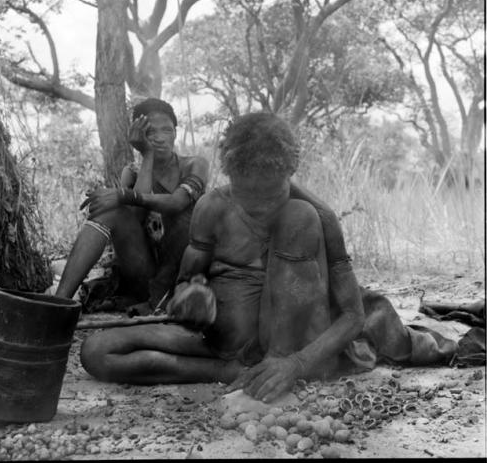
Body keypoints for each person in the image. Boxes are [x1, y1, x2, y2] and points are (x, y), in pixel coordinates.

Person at [80, 112, 458, 402]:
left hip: (292, 342)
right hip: (223, 340)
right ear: (231, 175)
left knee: (298, 217)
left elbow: (354, 315)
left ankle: (274, 365)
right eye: (247, 193)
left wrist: (295, 364)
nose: (259, 205)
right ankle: (233, 372)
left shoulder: (316, 216)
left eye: (269, 194)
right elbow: (187, 280)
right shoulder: (212, 207)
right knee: (97, 351)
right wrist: (193, 295)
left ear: (289, 172)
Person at [55, 98, 209, 315]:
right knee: (113, 212)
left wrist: (122, 194)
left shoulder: (194, 164)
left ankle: (162, 300)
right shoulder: (134, 171)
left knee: (181, 215)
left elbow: (177, 202)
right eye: (150, 132)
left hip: (181, 273)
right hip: (143, 270)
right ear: (139, 137)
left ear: (175, 132)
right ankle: (58, 303)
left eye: (166, 130)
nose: (160, 138)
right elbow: (134, 217)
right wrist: (147, 157)